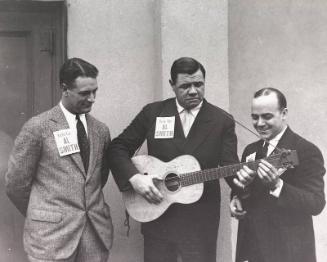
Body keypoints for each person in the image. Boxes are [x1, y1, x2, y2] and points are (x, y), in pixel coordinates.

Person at [108, 57, 239, 262]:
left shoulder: (222, 120)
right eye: (185, 86)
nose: (194, 91)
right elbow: (117, 148)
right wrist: (135, 178)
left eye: (199, 84)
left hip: (200, 222)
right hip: (158, 217)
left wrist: (242, 187)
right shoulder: (153, 113)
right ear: (172, 85)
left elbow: (231, 166)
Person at [5, 58, 113, 262]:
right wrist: (45, 212)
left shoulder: (101, 130)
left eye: (94, 91)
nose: (92, 99)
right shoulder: (38, 127)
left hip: (93, 237)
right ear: (65, 89)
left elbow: (98, 178)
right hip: (50, 240)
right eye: (84, 93)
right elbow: (16, 184)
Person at [230, 87, 325, 262]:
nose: (259, 123)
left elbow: (316, 203)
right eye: (254, 117)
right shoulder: (251, 150)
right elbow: (246, 194)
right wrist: (238, 195)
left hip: (288, 252)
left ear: (284, 113)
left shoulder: (306, 150)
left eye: (267, 116)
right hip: (252, 249)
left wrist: (277, 186)